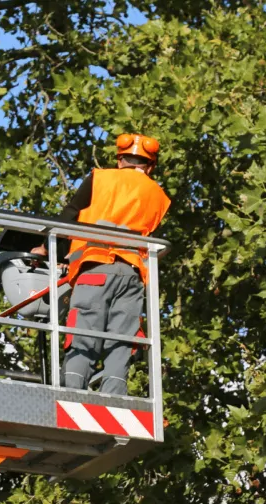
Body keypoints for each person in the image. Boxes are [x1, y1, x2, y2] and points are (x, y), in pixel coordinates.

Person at [35, 133, 171, 394]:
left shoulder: (100, 178)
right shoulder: (158, 195)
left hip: (95, 267)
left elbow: (69, 218)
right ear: (150, 166)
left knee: (84, 330)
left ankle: (73, 392)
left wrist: (47, 249)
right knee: (122, 338)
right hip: (132, 274)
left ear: (120, 161)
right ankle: (114, 395)